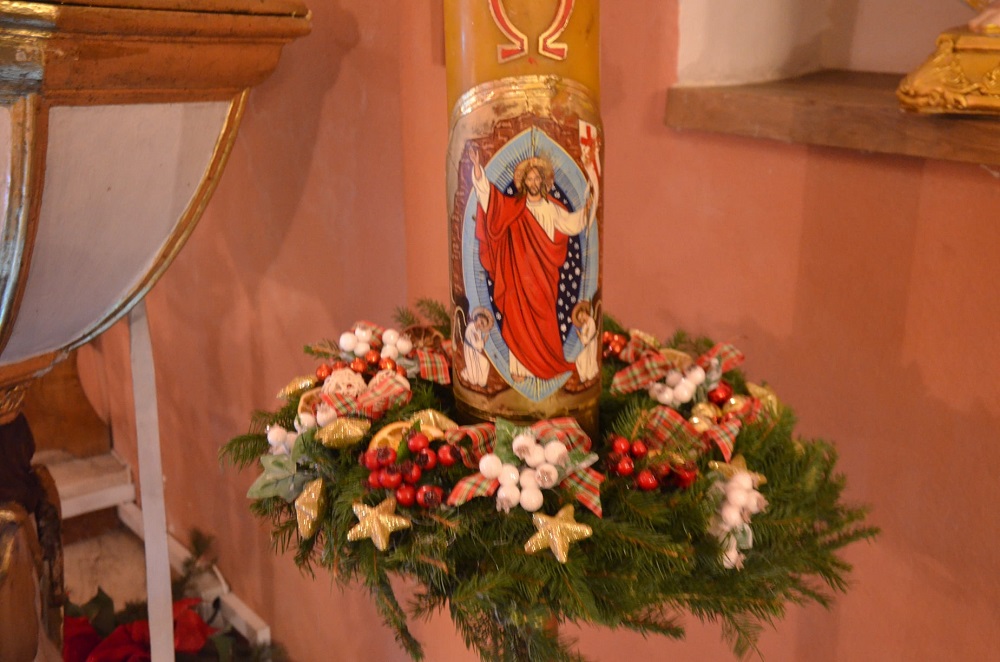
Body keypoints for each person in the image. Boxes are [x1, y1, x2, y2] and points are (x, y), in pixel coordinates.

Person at [470, 147, 595, 382]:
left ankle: (545, 365)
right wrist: (477, 168)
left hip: (544, 279)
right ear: (523, 182)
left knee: (545, 320)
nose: (534, 182)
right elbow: (490, 199)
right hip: (518, 279)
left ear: (544, 181)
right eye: (529, 178)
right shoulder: (513, 208)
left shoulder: (552, 208)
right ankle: (520, 370)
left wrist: (586, 210)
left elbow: (572, 223)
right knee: (517, 320)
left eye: (538, 178)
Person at [460, 308, 492, 387]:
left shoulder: (478, 330)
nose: (480, 325)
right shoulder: (470, 328)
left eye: (483, 324)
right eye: (481, 321)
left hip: (475, 351)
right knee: (473, 380)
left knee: (485, 363)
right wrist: (484, 340)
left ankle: (482, 382)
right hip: (469, 351)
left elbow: (479, 346)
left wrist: (481, 341)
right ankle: (465, 373)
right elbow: (476, 344)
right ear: (477, 318)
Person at [571, 301, 598, 383]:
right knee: (579, 358)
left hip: (591, 345)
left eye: (582, 316)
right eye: (580, 319)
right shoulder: (585, 324)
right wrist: (581, 336)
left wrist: (579, 335)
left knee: (584, 358)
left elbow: (586, 339)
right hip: (587, 345)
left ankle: (587, 375)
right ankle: (583, 376)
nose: (582, 319)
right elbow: (584, 339)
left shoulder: (591, 322)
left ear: (585, 312)